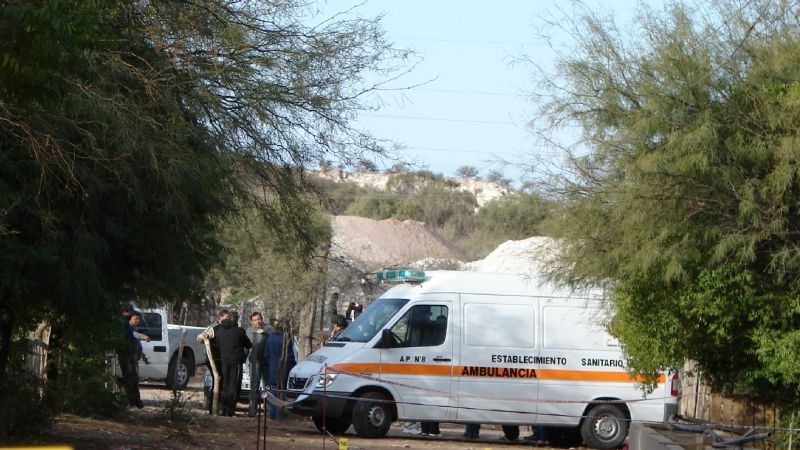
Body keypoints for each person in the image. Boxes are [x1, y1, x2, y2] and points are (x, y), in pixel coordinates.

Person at [215, 312, 252, 416]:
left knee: (224, 385)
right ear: (236, 320)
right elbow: (248, 344)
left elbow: (218, 344)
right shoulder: (239, 331)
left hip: (224, 360)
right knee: (234, 386)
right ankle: (230, 411)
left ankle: (222, 408)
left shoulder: (220, 331)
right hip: (236, 361)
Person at [264, 320, 297, 420]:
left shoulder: (270, 338)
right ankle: (279, 413)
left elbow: (266, 354)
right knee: (281, 390)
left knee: (273, 390)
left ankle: (272, 413)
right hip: (284, 368)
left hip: (273, 368)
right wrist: (293, 366)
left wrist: (271, 363)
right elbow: (290, 356)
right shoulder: (286, 339)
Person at [117, 305, 145, 409]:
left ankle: (135, 400)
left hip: (131, 355)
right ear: (125, 312)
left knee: (133, 378)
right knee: (129, 378)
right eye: (130, 313)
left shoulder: (127, 324)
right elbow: (130, 334)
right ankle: (131, 401)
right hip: (126, 355)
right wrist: (142, 336)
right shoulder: (123, 323)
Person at [246, 312, 270, 417]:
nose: (258, 321)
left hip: (266, 362)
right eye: (256, 320)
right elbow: (247, 345)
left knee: (267, 386)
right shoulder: (249, 330)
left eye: (260, 319)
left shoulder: (269, 329)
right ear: (251, 321)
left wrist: (264, 333)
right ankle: (252, 409)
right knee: (254, 386)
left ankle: (268, 410)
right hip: (254, 362)